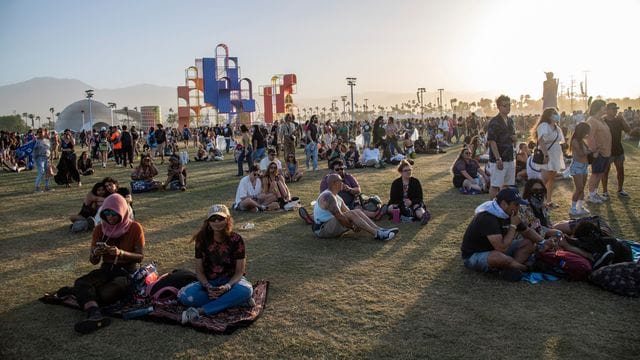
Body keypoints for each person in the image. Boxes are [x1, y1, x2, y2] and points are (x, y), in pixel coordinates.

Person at [58, 194, 144, 333]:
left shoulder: (135, 228)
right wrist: (95, 253)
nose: (110, 217)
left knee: (106, 294)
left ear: (122, 211)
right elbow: (94, 262)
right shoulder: (100, 229)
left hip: (126, 271)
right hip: (106, 269)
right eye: (106, 213)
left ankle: (77, 294)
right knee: (82, 283)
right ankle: (95, 315)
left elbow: (139, 257)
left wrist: (120, 253)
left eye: (114, 213)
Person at [179, 204, 253, 324]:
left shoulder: (236, 239)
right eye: (213, 219)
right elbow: (199, 271)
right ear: (208, 222)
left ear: (228, 220)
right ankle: (235, 301)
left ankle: (201, 311)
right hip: (210, 283)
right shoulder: (202, 239)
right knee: (186, 297)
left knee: (246, 290)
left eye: (221, 218)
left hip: (231, 282)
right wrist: (208, 286)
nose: (217, 222)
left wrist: (227, 287)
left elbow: (240, 271)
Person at [460, 188, 542, 281]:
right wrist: (513, 226)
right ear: (504, 204)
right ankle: (524, 268)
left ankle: (510, 268)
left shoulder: (507, 212)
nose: (518, 207)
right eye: (516, 204)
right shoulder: (488, 217)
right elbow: (501, 248)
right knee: (499, 257)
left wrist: (543, 242)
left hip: (495, 250)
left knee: (529, 243)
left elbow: (527, 231)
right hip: (474, 256)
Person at [312, 173, 399, 241]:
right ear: (335, 183)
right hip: (322, 229)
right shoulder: (328, 196)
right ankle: (378, 234)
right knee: (352, 213)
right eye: (341, 181)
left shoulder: (337, 197)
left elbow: (348, 211)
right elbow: (340, 217)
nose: (343, 183)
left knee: (357, 211)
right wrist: (353, 227)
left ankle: (380, 230)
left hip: (329, 225)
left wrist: (356, 222)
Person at [531, 108, 565, 207]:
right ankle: (537, 200)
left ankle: (549, 201)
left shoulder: (557, 127)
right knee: (544, 179)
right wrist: (546, 155)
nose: (556, 115)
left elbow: (560, 141)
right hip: (547, 154)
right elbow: (541, 141)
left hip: (555, 154)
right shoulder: (544, 125)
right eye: (554, 114)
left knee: (551, 179)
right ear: (548, 115)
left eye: (556, 113)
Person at [487, 95, 517, 198]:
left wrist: (514, 138)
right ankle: (493, 208)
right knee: (495, 185)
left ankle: (505, 207)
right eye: (505, 105)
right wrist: (498, 158)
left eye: (509, 105)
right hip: (499, 158)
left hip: (510, 157)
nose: (508, 107)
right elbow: (492, 141)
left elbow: (513, 137)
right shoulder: (494, 122)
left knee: (508, 186)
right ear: (499, 107)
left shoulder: (510, 121)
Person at [388, 160, 431, 225]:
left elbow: (420, 198)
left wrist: (411, 202)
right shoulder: (396, 183)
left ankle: (423, 217)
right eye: (406, 170)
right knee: (391, 207)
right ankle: (401, 216)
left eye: (409, 170)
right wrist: (403, 203)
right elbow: (393, 199)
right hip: (400, 204)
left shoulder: (415, 181)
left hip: (413, 204)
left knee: (418, 208)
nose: (408, 172)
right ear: (400, 172)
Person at [602, 102, 631, 198]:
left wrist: (623, 119)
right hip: (607, 150)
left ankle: (620, 189)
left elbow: (628, 130)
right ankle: (605, 191)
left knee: (620, 170)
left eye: (616, 109)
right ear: (607, 110)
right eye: (613, 109)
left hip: (618, 149)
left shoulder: (619, 120)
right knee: (605, 171)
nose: (615, 110)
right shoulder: (603, 120)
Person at [585, 100, 611, 204]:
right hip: (598, 152)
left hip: (606, 152)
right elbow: (589, 137)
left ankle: (595, 193)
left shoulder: (601, 120)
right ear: (600, 108)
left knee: (600, 173)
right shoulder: (592, 120)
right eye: (604, 107)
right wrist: (594, 150)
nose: (606, 109)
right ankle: (591, 195)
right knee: (595, 174)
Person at [568, 123, 592, 217]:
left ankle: (580, 207)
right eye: (587, 131)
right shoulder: (575, 141)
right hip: (577, 166)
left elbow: (585, 151)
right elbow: (581, 153)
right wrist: (591, 150)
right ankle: (572, 208)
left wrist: (590, 150)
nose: (588, 133)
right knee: (579, 188)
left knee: (582, 188)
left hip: (584, 166)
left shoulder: (582, 140)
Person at [33, 128, 52, 192]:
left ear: (44, 133)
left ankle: (47, 186)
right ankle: (37, 187)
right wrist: (35, 159)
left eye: (42, 132)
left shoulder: (47, 140)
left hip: (47, 158)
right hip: (39, 158)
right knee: (41, 172)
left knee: (47, 172)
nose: (41, 133)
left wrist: (50, 158)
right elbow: (34, 151)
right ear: (38, 133)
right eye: (39, 132)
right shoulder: (36, 141)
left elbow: (49, 149)